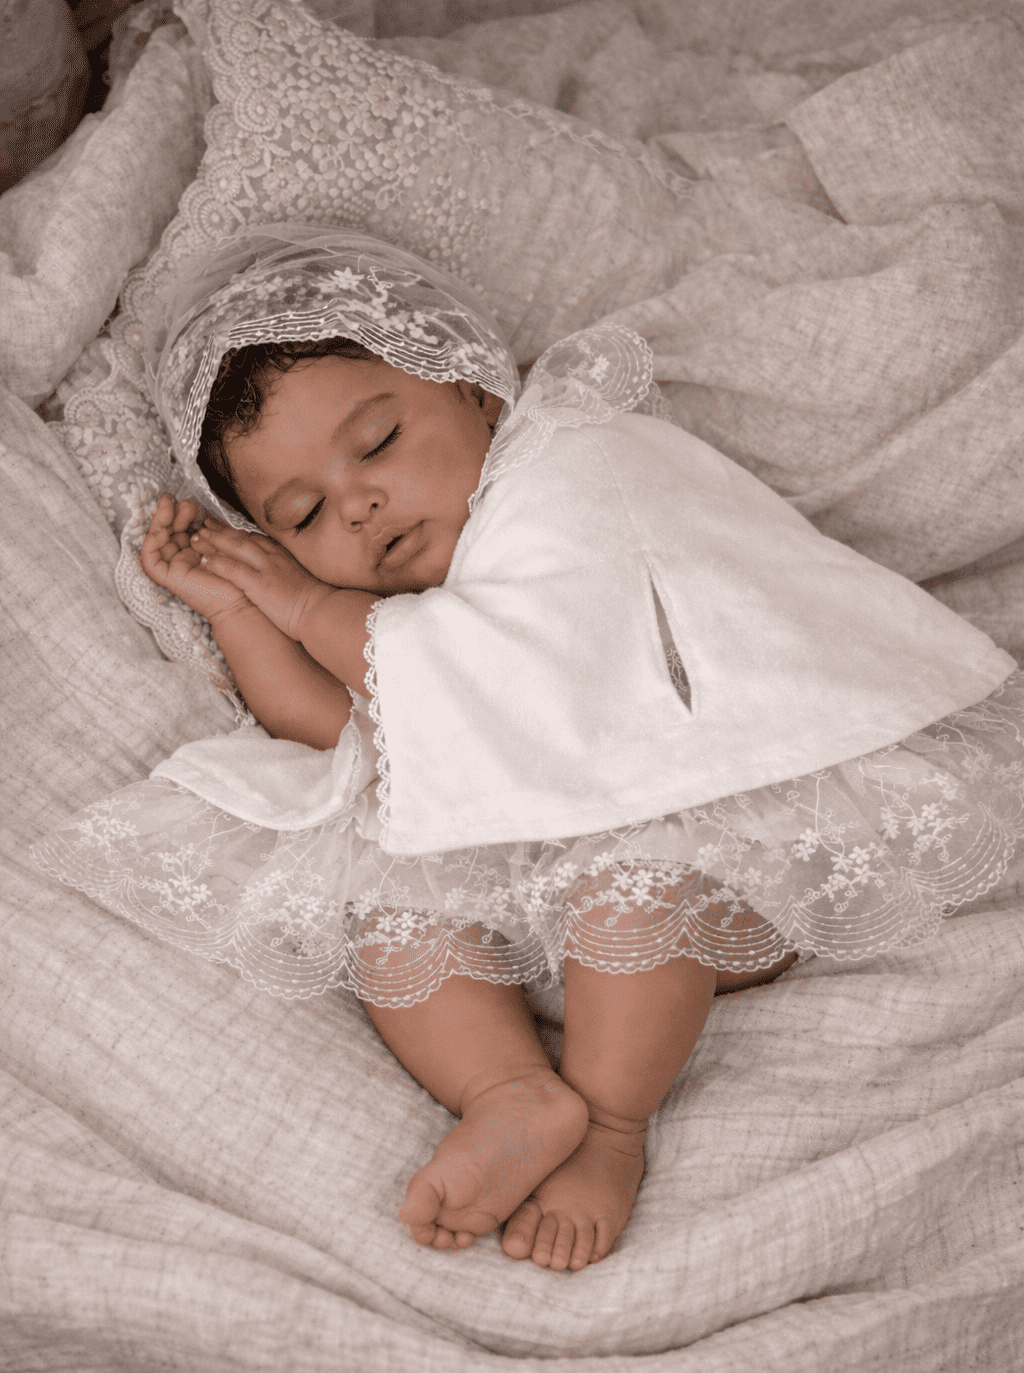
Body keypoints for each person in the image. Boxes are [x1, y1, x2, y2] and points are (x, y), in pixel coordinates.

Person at [36, 225, 1024, 1273]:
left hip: (742, 841)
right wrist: (237, 606)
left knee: (634, 892)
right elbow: (342, 735)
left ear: (473, 388)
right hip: (536, 875)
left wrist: (304, 601)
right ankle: (509, 1093)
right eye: (305, 513)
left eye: (377, 443)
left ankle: (609, 1123)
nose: (358, 504)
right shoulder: (403, 614)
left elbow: (542, 665)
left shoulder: (573, 462)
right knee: (391, 909)